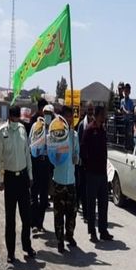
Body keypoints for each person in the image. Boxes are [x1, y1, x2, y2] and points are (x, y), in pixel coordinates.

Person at [0, 105, 36, 263]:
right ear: (11, 116)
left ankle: (27, 247)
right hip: (10, 180)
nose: (18, 119)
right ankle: (10, 252)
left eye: (19, 117)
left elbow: (27, 154)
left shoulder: (22, 130)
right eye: (16, 117)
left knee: (26, 217)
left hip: (23, 178)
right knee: (10, 219)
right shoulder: (2, 132)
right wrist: (0, 179)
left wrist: (30, 175)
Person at [81, 105, 113, 242]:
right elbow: (83, 151)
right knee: (91, 203)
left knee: (103, 203)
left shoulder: (102, 130)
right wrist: (87, 167)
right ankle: (92, 232)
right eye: (103, 114)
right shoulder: (89, 130)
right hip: (92, 173)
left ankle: (103, 230)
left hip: (102, 172)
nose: (105, 116)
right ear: (97, 115)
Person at [51, 107, 79, 253]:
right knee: (58, 213)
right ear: (61, 118)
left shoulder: (74, 135)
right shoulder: (56, 135)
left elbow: (77, 154)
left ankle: (70, 235)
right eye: (66, 117)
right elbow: (53, 155)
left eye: (70, 117)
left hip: (71, 181)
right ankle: (60, 240)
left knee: (72, 212)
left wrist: (76, 157)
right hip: (59, 181)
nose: (69, 120)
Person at [30, 103, 54, 233]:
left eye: (50, 114)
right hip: (36, 163)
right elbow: (30, 143)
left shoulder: (54, 130)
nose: (48, 116)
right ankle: (33, 223)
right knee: (34, 195)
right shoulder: (35, 126)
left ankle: (40, 222)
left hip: (47, 165)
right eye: (46, 114)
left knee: (44, 198)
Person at [77, 102, 95, 221]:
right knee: (83, 187)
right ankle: (86, 213)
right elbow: (79, 144)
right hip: (83, 162)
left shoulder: (96, 124)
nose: (90, 112)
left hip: (93, 162)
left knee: (91, 189)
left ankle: (90, 211)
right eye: (88, 110)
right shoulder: (81, 126)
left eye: (91, 110)